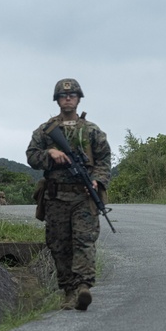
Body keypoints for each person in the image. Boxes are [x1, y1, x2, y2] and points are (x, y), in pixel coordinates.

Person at [26, 78, 112, 311]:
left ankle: (83, 286)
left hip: (84, 197)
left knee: (84, 241)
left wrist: (97, 180)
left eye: (72, 95)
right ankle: (68, 291)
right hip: (56, 198)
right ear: (57, 100)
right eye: (63, 96)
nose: (68, 98)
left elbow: (104, 160)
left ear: (78, 98)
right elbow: (32, 157)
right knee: (59, 244)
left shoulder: (92, 131)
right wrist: (50, 153)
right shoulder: (46, 130)